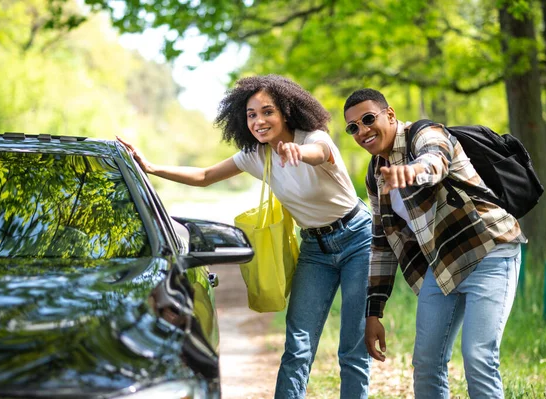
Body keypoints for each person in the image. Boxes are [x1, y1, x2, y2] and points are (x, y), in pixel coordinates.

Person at [119, 75, 372, 399]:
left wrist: (297, 152)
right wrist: (151, 168)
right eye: (251, 114)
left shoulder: (314, 138)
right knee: (297, 345)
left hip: (358, 239)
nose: (258, 120)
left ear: (286, 112)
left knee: (352, 347)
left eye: (267, 112)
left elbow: (320, 154)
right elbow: (206, 175)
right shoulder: (256, 155)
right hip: (315, 248)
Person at [342, 88, 526, 399]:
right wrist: (374, 311)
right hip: (442, 266)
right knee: (427, 364)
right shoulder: (376, 175)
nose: (362, 131)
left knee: (478, 358)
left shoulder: (425, 133)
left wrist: (412, 171)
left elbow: (435, 160)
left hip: (489, 252)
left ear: (390, 115)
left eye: (368, 119)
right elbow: (382, 242)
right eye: (353, 127)